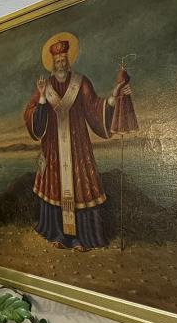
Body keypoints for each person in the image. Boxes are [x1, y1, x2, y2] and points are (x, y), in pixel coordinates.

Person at [23, 35, 131, 251]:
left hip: (77, 146)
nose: (61, 63)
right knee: (55, 186)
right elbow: (31, 114)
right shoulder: (44, 86)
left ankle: (83, 238)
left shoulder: (81, 82)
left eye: (64, 60)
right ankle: (57, 234)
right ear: (53, 63)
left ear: (68, 60)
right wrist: (42, 98)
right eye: (57, 61)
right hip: (53, 147)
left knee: (81, 186)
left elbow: (94, 106)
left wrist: (113, 97)